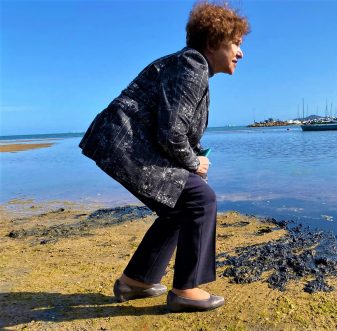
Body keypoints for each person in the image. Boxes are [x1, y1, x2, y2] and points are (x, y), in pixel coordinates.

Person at [79, 1, 249, 312]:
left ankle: (135, 282)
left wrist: (194, 156)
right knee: (201, 199)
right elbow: (171, 132)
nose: (241, 53)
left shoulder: (192, 67)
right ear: (214, 42)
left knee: (177, 207)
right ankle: (186, 289)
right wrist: (194, 163)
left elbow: (174, 127)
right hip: (124, 144)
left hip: (120, 144)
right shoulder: (193, 65)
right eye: (236, 43)